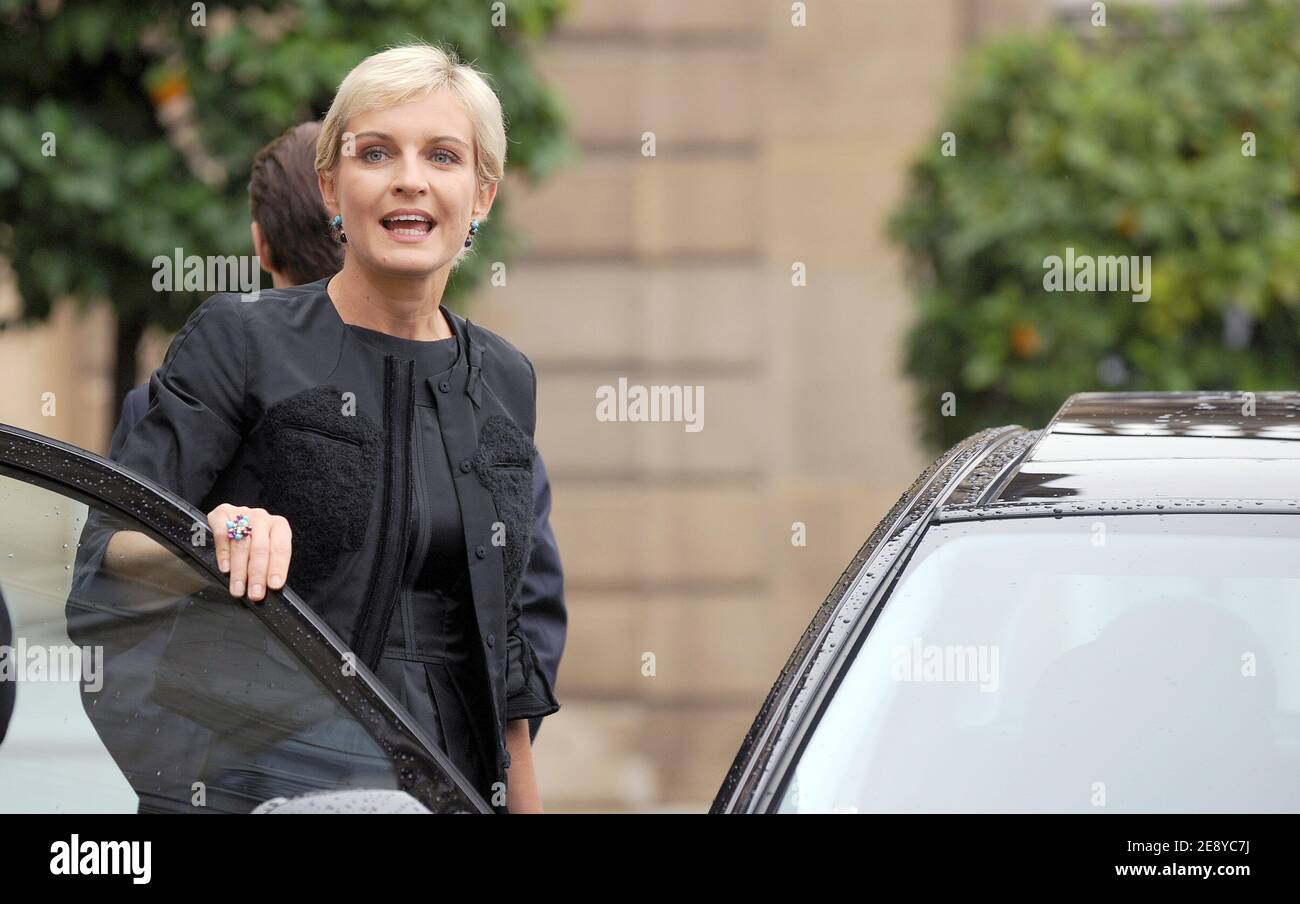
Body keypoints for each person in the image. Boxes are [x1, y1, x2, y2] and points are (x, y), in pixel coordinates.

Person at [98, 43, 562, 812]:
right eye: (376, 152)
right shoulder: (240, 339)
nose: (409, 178)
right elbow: (112, 546)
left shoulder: (506, 379)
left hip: (448, 785)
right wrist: (215, 535)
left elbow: (504, 652)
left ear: (481, 196)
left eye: (442, 156)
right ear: (330, 187)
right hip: (266, 784)